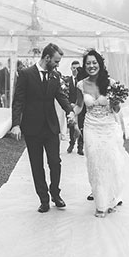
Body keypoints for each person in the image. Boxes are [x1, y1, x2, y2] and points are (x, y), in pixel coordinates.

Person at [10, 43, 78, 213]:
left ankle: (55, 193)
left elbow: (61, 96)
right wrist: (16, 124)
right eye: (56, 61)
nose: (57, 64)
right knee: (36, 165)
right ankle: (44, 199)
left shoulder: (55, 76)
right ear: (47, 58)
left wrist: (69, 111)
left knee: (55, 162)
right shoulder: (26, 74)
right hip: (32, 128)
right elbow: (18, 100)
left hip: (51, 127)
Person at [74, 49, 124, 218]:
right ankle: (100, 204)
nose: (91, 66)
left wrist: (115, 102)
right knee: (95, 163)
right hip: (91, 127)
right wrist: (71, 114)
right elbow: (79, 106)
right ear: (84, 66)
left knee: (110, 162)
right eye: (88, 63)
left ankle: (111, 198)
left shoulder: (111, 83)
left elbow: (117, 109)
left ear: (100, 64)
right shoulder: (81, 85)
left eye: (94, 62)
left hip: (108, 127)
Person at [65, 61, 84, 155]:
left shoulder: (84, 81)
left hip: (82, 107)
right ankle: (71, 143)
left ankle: (80, 146)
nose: (75, 70)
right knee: (72, 125)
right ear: (71, 68)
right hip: (71, 106)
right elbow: (64, 94)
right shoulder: (67, 81)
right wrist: (70, 104)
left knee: (81, 126)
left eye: (77, 68)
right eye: (74, 68)